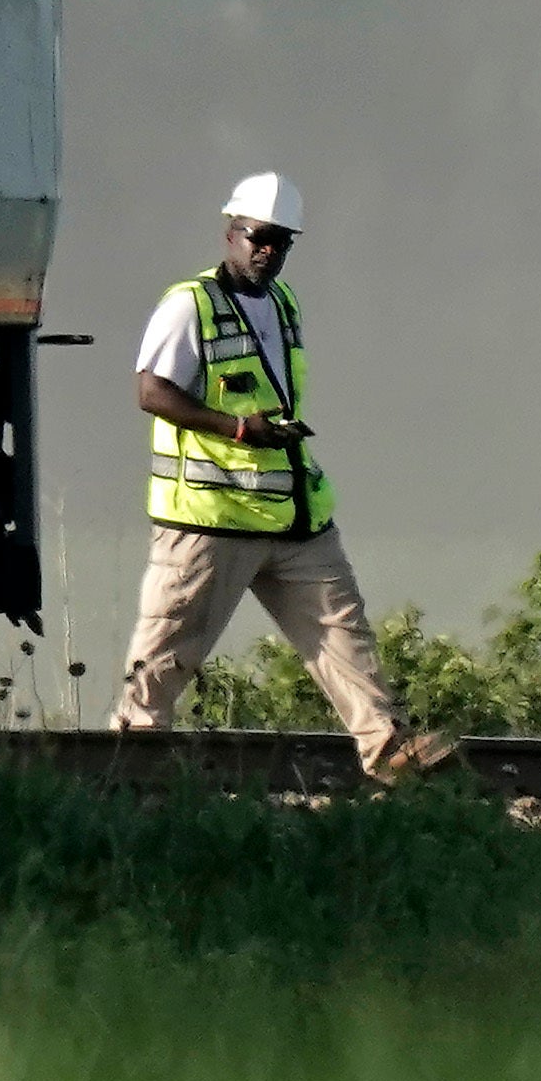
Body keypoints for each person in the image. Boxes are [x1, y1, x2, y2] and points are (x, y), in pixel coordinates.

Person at [110, 172, 462, 778]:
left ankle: (389, 750)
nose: (268, 251)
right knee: (167, 652)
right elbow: (151, 391)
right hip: (210, 520)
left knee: (343, 633)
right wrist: (237, 428)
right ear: (232, 233)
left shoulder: (283, 302)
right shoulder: (188, 305)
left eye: (281, 242)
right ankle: (129, 767)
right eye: (259, 237)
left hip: (294, 515)